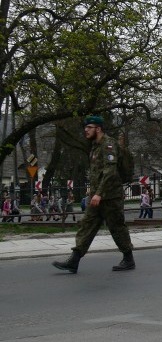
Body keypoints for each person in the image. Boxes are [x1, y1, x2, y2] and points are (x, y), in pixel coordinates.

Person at [52, 115, 135, 273]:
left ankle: (128, 258)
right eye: (85, 128)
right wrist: (94, 193)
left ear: (98, 129)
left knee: (117, 227)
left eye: (89, 128)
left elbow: (110, 172)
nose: (86, 130)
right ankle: (74, 260)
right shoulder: (95, 147)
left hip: (110, 196)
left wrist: (99, 194)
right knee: (87, 225)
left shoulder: (108, 145)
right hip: (97, 196)